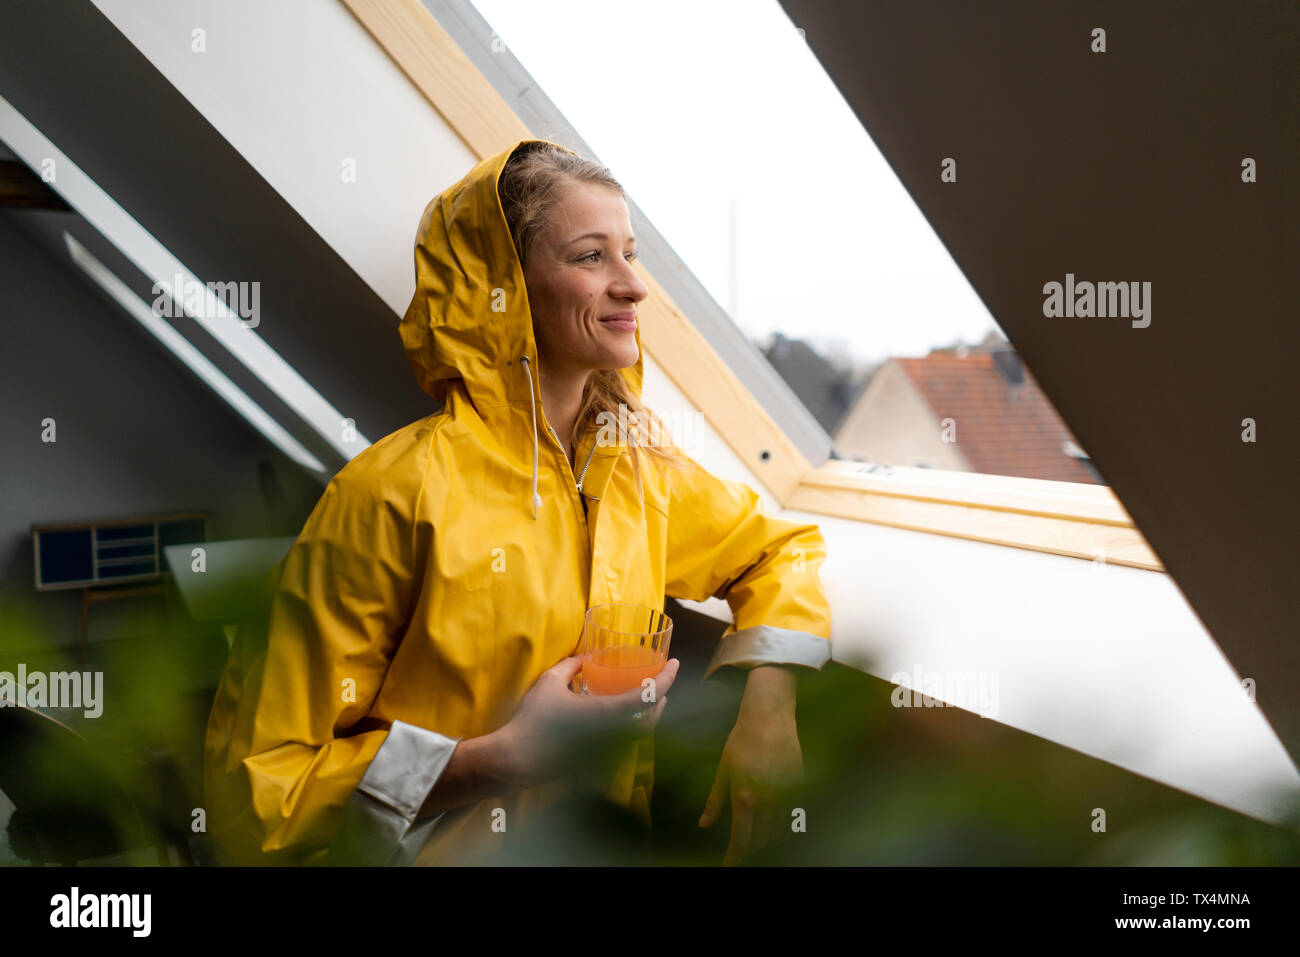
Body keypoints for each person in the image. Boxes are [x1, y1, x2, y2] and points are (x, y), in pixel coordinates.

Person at [202, 138, 833, 866]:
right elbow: (259, 789)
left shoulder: (638, 472)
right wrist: (498, 759)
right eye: (592, 257)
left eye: (631, 253)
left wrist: (769, 704)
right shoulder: (390, 491)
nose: (634, 285)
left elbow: (780, 550)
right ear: (500, 285)